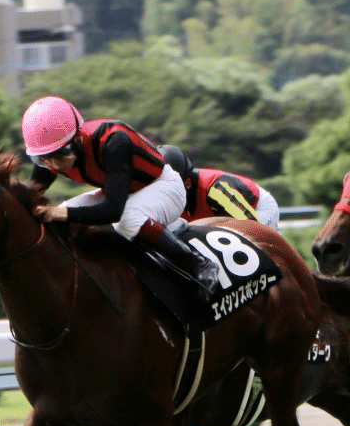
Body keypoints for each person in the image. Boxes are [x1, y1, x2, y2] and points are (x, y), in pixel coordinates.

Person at [21, 96, 219, 295]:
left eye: (60, 154)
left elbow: (113, 211)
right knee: (65, 214)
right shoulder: (53, 155)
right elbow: (29, 195)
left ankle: (199, 263)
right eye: (44, 159)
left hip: (164, 187)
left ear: (78, 138)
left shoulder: (114, 141)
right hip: (124, 192)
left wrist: (59, 213)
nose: (54, 165)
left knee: (126, 220)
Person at [158, 145, 281, 229]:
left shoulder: (216, 189)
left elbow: (252, 226)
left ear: (188, 183)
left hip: (259, 210)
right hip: (216, 218)